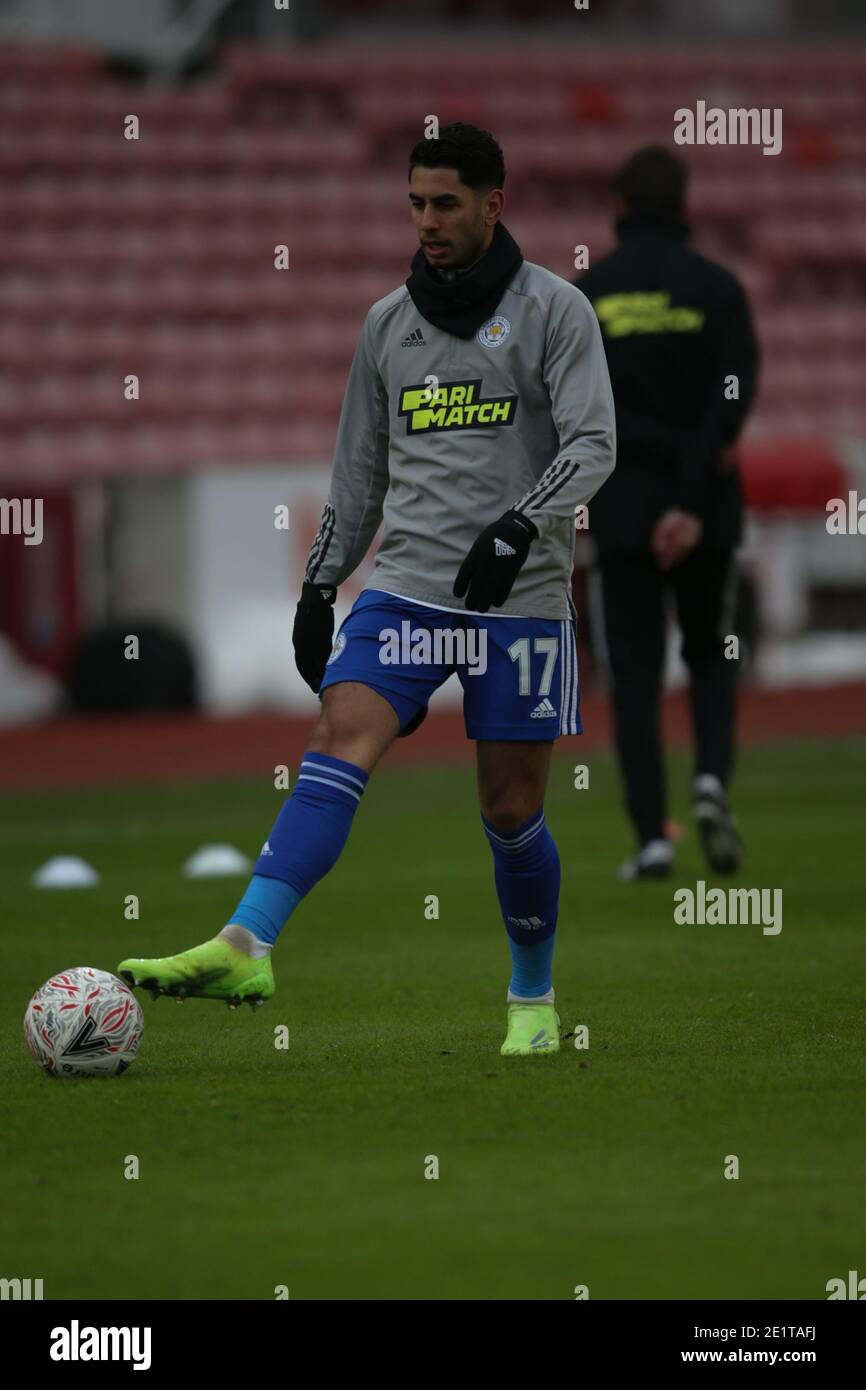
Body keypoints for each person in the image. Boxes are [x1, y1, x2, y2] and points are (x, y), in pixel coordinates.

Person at [119, 123, 615, 1055]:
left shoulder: (556, 311)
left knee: (510, 811)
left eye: (446, 204)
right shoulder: (388, 324)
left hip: (520, 601)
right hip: (409, 589)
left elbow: (593, 444)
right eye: (416, 204)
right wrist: (320, 587)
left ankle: (535, 1003)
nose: (427, 222)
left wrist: (519, 526)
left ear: (493, 204)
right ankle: (245, 941)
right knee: (339, 735)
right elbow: (358, 476)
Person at [577, 146, 759, 881]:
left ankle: (653, 836)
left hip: (620, 509)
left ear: (618, 207)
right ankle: (711, 781)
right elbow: (732, 400)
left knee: (634, 673)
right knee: (712, 657)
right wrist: (687, 500)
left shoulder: (589, 296)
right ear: (685, 207)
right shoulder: (718, 289)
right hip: (705, 506)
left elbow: (582, 409)